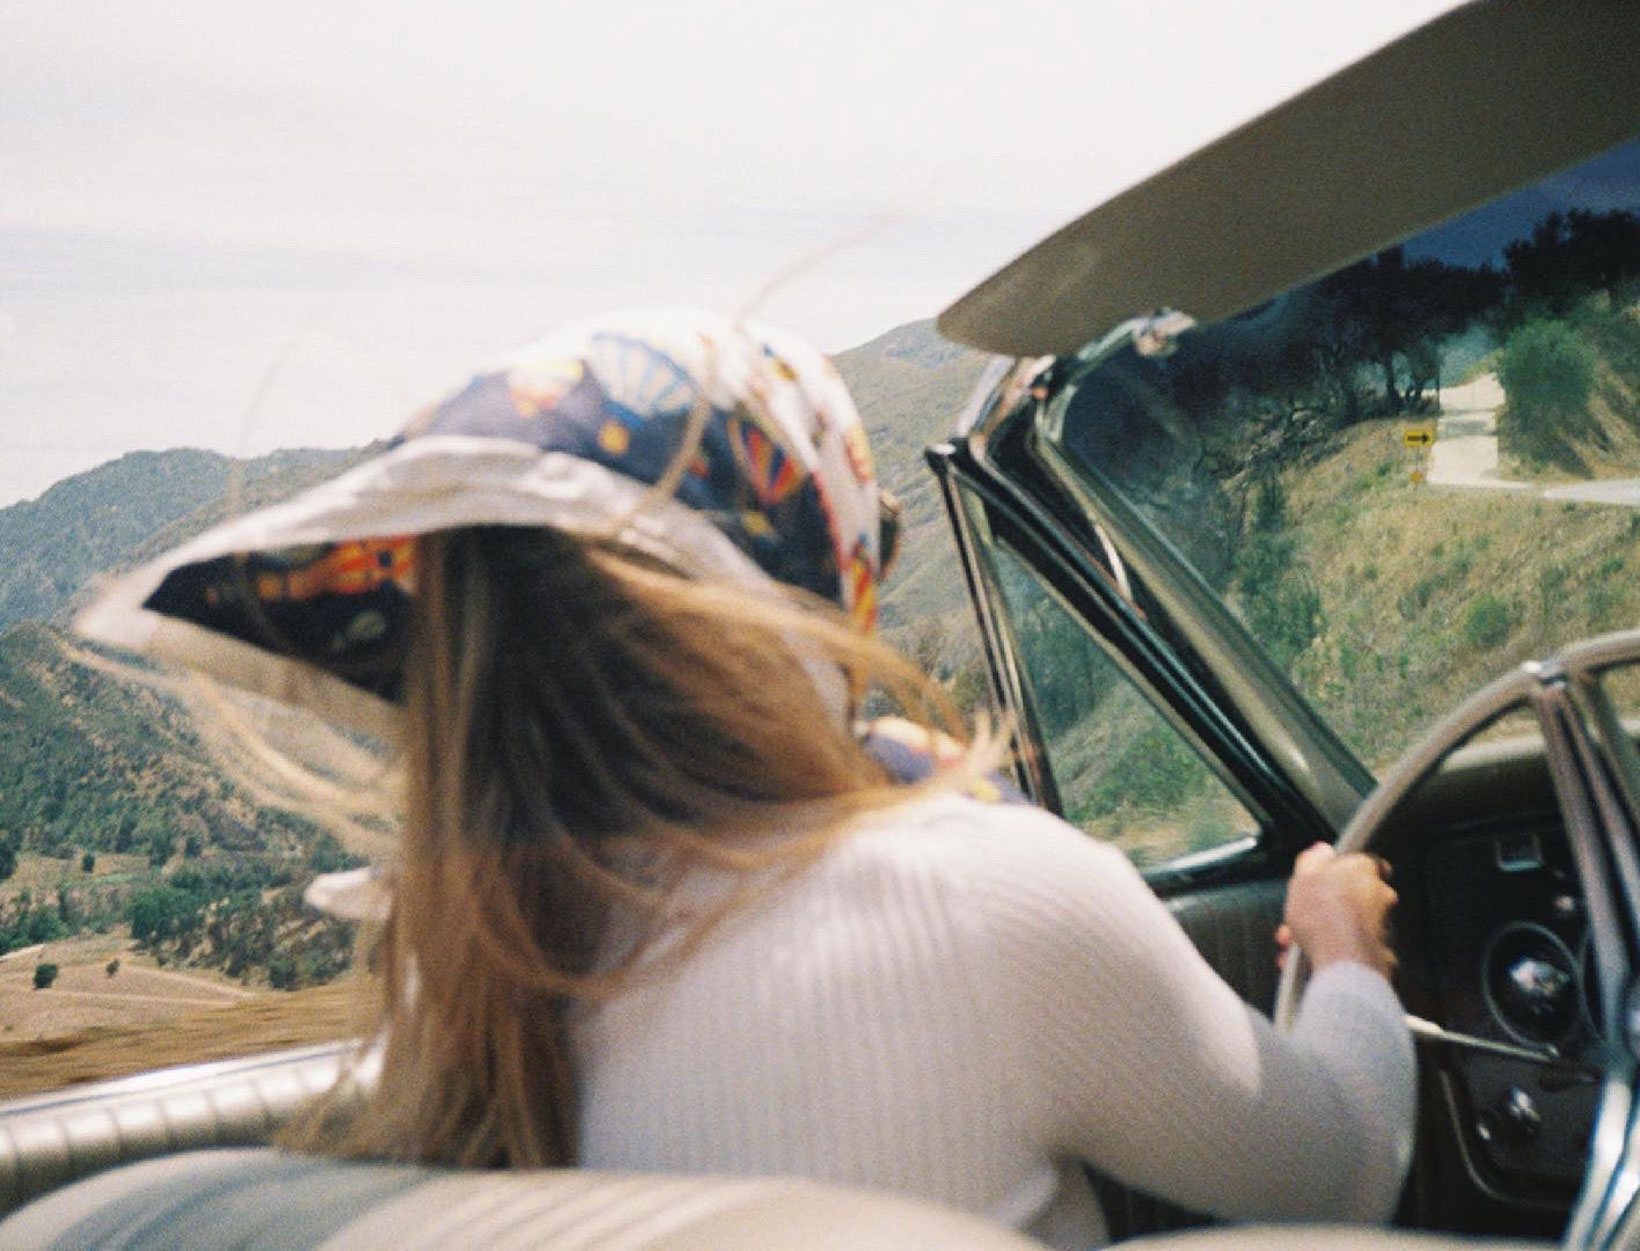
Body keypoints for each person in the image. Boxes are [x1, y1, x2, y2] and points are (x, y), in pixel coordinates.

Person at [77, 310, 1412, 1249]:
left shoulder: (461, 972)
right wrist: (1344, 944)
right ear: (815, 574)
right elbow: (1343, 1172)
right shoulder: (982, 899)